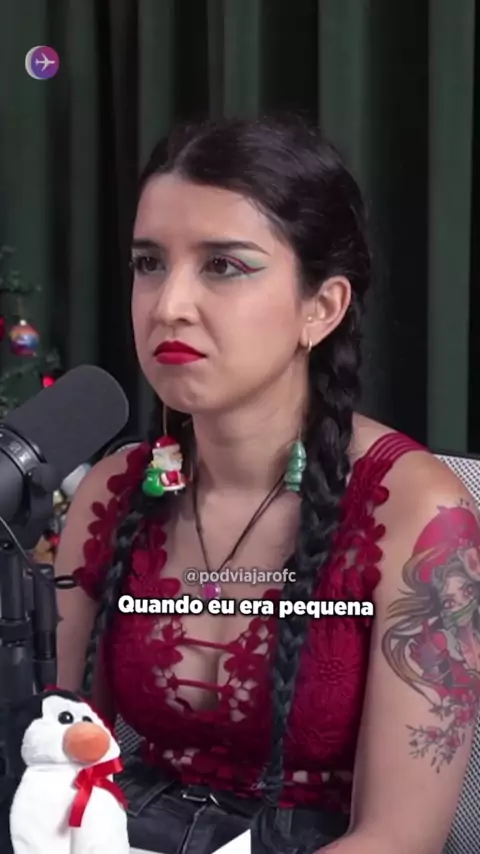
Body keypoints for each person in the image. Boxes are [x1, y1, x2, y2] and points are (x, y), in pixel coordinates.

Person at [53, 115, 480, 854]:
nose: (168, 304)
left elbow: (400, 837)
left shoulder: (419, 512)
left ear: (322, 307)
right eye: (149, 263)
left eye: (223, 265)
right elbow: (56, 758)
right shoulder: (116, 491)